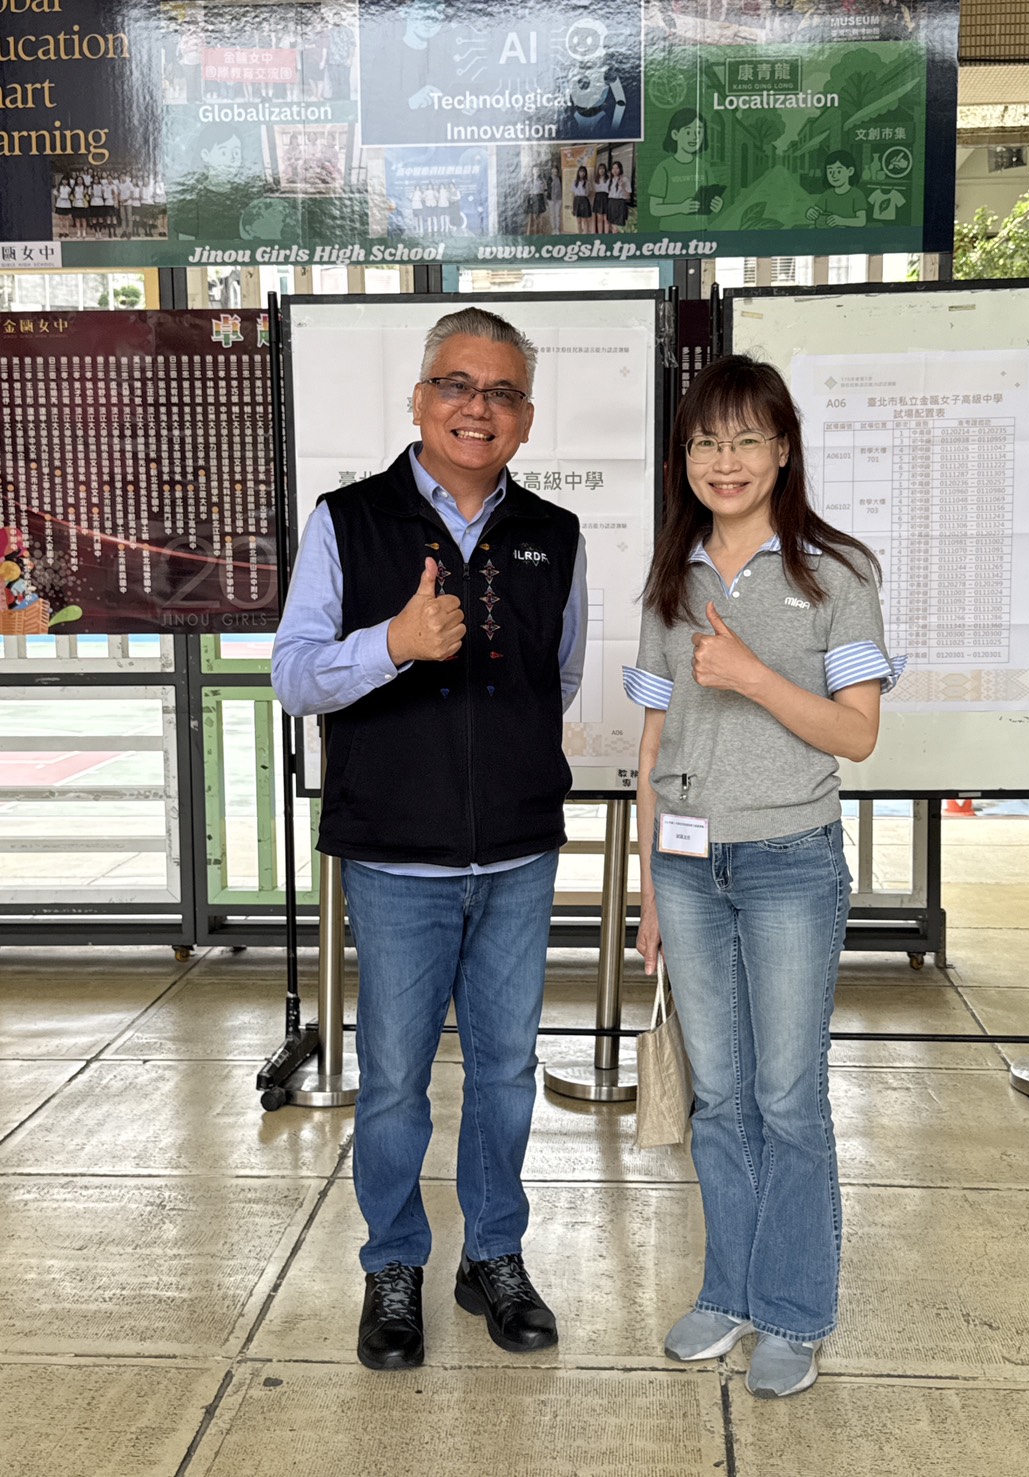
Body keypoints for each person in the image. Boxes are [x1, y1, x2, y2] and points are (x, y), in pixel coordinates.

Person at [272, 307, 588, 1374]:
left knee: (505, 1071)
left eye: (501, 393)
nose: (476, 407)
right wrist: (394, 644)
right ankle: (394, 1264)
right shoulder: (348, 520)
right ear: (418, 400)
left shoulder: (554, 533)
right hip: (394, 856)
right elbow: (294, 674)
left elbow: (557, 679)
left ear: (526, 418)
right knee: (395, 1079)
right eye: (456, 384)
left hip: (518, 853)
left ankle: (491, 1255)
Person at [624, 355, 902, 1400]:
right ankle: (729, 1292)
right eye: (706, 441)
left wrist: (750, 675)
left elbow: (857, 734)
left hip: (790, 860)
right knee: (720, 1096)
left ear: (783, 449)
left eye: (747, 438)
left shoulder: (835, 572)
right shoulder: (673, 574)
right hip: (689, 866)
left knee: (787, 1098)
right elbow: (651, 746)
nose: (725, 460)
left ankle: (793, 1310)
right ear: (684, 458)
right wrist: (651, 889)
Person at [647, 109, 723, 223]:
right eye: (688, 132)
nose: (694, 137)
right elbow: (654, 209)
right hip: (671, 231)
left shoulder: (704, 167)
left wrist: (718, 204)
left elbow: (712, 197)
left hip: (701, 229)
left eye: (699, 132)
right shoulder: (664, 168)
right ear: (675, 134)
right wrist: (680, 208)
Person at [805, 149, 867, 228]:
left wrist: (841, 221)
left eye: (839, 171)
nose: (833, 175)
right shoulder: (827, 195)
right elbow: (816, 211)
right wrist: (810, 213)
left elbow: (862, 221)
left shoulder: (857, 194)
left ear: (850, 171)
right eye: (830, 171)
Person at [606, 158, 630, 231]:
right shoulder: (609, 180)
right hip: (611, 202)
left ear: (620, 169)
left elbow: (628, 197)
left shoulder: (625, 179)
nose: (615, 170)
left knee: (618, 227)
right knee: (612, 225)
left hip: (620, 203)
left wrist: (622, 187)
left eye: (617, 168)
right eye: (613, 168)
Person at [572, 164, 593, 233]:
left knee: (585, 220)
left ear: (585, 173)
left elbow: (589, 193)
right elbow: (573, 194)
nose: (582, 173)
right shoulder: (575, 182)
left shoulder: (587, 182)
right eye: (580, 171)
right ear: (578, 172)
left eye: (583, 172)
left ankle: (585, 235)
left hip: (584, 200)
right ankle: (579, 234)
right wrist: (573, 205)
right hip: (577, 200)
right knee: (578, 220)